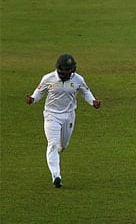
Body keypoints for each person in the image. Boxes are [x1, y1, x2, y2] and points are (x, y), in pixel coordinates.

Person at [25, 54, 102, 188]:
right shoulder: (48, 78)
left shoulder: (78, 79)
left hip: (69, 115)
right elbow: (39, 92)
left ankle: (58, 152)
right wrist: (32, 99)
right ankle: (56, 176)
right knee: (53, 145)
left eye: (70, 70)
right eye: (66, 70)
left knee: (62, 147)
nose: (68, 73)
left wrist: (93, 102)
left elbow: (85, 92)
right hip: (51, 115)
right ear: (59, 69)